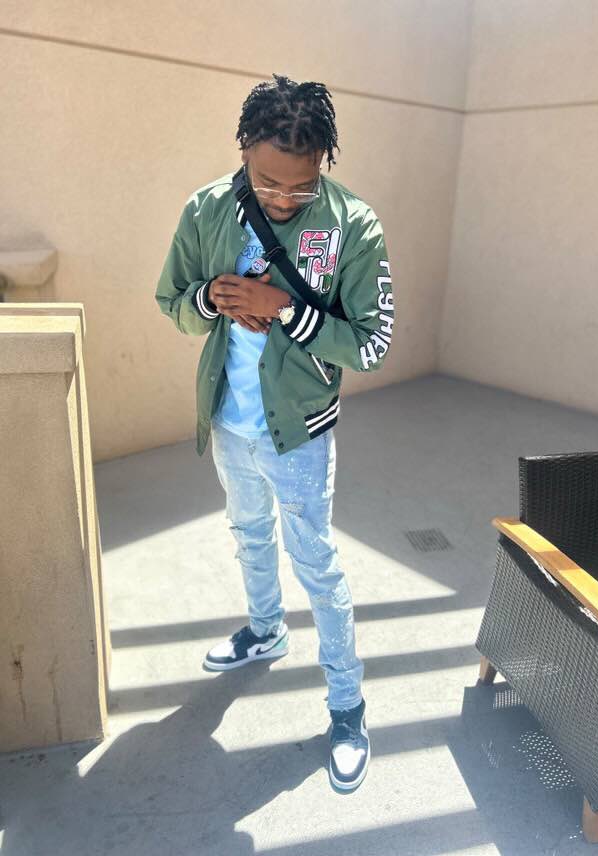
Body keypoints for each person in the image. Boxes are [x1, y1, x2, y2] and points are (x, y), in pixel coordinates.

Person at [155, 73, 394, 792]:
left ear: (324, 162)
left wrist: (283, 306)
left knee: (317, 564)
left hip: (300, 433)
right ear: (244, 151)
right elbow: (173, 301)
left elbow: (373, 343)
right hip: (229, 419)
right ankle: (264, 629)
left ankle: (348, 710)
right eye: (267, 184)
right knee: (248, 533)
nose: (285, 199)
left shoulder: (353, 224)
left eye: (302, 186)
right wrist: (212, 297)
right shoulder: (207, 209)